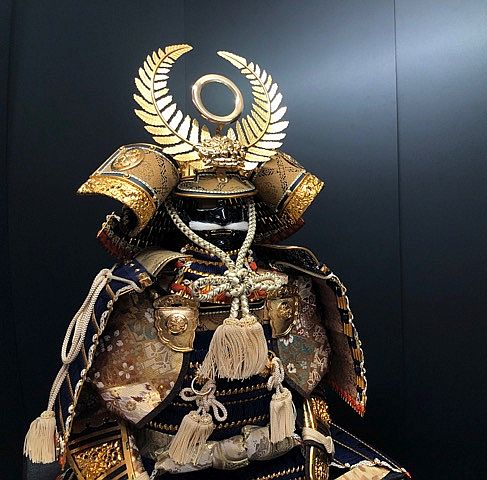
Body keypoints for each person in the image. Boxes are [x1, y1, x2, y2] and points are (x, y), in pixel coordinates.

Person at [22, 45, 409, 480]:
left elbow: (307, 368)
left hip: (279, 447)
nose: (224, 221)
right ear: (177, 209)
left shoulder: (288, 278)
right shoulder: (142, 284)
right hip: (176, 459)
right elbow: (113, 391)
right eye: (208, 210)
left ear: (253, 208)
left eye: (236, 209)